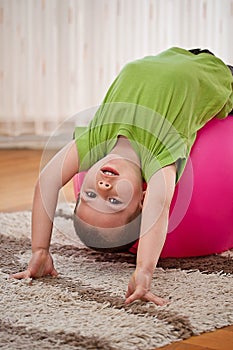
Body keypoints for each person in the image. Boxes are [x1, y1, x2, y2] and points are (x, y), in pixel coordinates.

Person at [11, 47, 233, 306]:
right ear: (142, 198)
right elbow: (158, 211)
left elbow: (47, 182)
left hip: (180, 54)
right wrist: (144, 271)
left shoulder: (94, 141)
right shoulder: (159, 156)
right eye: (114, 201)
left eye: (90, 196)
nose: (104, 187)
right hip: (221, 78)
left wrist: (40, 249)